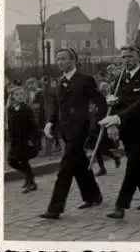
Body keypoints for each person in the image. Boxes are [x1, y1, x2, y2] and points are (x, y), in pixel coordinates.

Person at [40, 48, 104, 219]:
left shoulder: (85, 80)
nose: (59, 62)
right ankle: (93, 196)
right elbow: (57, 105)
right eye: (57, 59)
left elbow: (99, 101)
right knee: (80, 165)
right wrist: (50, 122)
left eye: (63, 59)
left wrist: (99, 122)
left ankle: (55, 208)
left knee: (65, 168)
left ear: (73, 60)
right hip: (65, 131)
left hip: (80, 130)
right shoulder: (60, 81)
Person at [98, 46, 140, 220]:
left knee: (133, 164)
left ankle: (121, 205)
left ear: (139, 57)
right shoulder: (120, 78)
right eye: (124, 57)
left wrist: (118, 117)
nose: (126, 60)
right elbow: (120, 102)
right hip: (127, 130)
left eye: (130, 56)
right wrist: (112, 101)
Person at [7, 85, 40, 193]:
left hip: (26, 140)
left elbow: (33, 125)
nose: (20, 96)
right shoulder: (10, 109)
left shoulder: (26, 109)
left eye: (21, 94)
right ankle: (29, 176)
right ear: (12, 96)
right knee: (11, 161)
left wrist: (34, 140)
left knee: (24, 161)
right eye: (17, 94)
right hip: (15, 141)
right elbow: (10, 124)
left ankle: (31, 183)